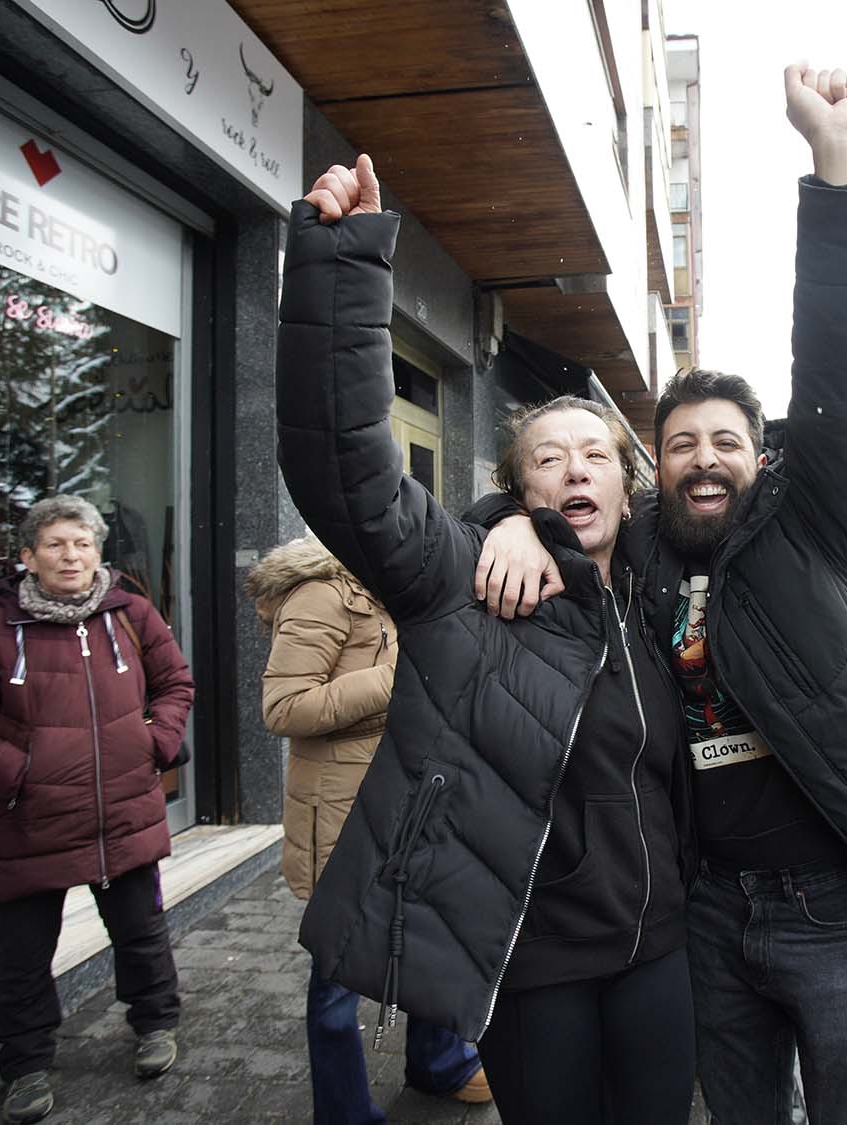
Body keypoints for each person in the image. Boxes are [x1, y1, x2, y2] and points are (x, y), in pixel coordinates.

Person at [476, 63, 847, 1125]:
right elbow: (568, 506)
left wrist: (833, 167)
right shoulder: (645, 546)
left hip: (835, 908)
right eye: (683, 443)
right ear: (657, 465)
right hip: (705, 909)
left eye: (728, 443)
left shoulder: (812, 530)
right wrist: (506, 518)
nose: (705, 460)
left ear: (761, 458)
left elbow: (844, 369)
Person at [274, 153, 695, 1125]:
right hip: (535, 960)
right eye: (550, 458)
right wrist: (342, 267)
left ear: (628, 495)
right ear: (520, 483)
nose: (577, 470)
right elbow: (346, 472)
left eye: (598, 456)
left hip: (660, 949)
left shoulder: (660, 590)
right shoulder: (460, 577)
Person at [0, 495, 194, 1125]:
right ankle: (24, 1065)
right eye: (54, 544)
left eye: (81, 543)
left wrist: (153, 743)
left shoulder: (130, 613)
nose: (69, 556)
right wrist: (19, 774)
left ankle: (155, 1025)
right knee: (22, 956)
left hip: (121, 811)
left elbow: (174, 683)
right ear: (27, 557)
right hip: (28, 820)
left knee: (142, 935)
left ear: (98, 552)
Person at [244, 537, 490, 1119]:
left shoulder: (400, 591)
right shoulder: (321, 596)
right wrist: (398, 676)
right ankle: (344, 1110)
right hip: (342, 808)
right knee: (338, 969)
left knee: (430, 939)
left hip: (413, 797)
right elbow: (284, 707)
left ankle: (441, 1063)